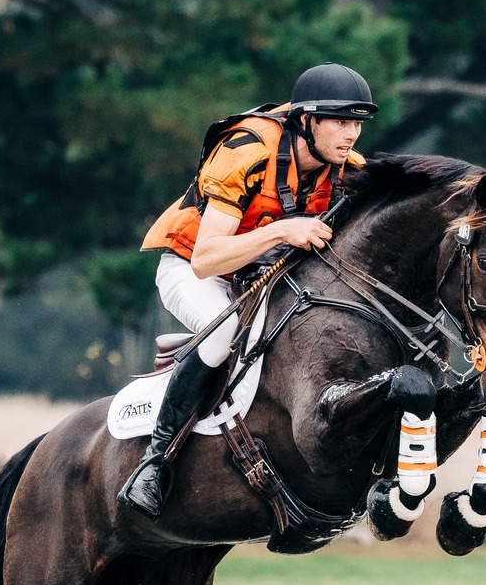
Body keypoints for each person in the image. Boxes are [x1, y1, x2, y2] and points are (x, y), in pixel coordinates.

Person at [118, 62, 379, 517]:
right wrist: (284, 231)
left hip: (258, 277)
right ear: (307, 121)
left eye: (356, 122)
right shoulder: (246, 151)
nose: (351, 133)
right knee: (223, 334)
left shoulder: (345, 169)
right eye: (339, 121)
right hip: (192, 269)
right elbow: (206, 259)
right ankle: (154, 462)